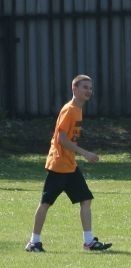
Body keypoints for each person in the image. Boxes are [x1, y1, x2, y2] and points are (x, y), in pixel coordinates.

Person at [26, 74, 112, 252]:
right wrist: (85, 153)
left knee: (86, 199)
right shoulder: (70, 109)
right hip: (59, 165)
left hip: (69, 165)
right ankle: (33, 242)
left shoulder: (78, 109)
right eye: (84, 87)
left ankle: (89, 242)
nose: (88, 90)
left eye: (90, 88)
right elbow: (61, 138)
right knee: (45, 203)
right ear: (74, 89)